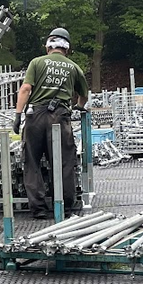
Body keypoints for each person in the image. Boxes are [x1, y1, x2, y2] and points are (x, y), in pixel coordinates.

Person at [14, 28, 89, 220]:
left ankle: (39, 209)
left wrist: (18, 114)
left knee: (32, 161)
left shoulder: (36, 62)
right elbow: (84, 95)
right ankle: (64, 207)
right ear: (67, 48)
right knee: (64, 162)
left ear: (48, 46)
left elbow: (26, 88)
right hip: (60, 117)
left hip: (35, 116)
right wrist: (79, 106)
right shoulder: (74, 68)